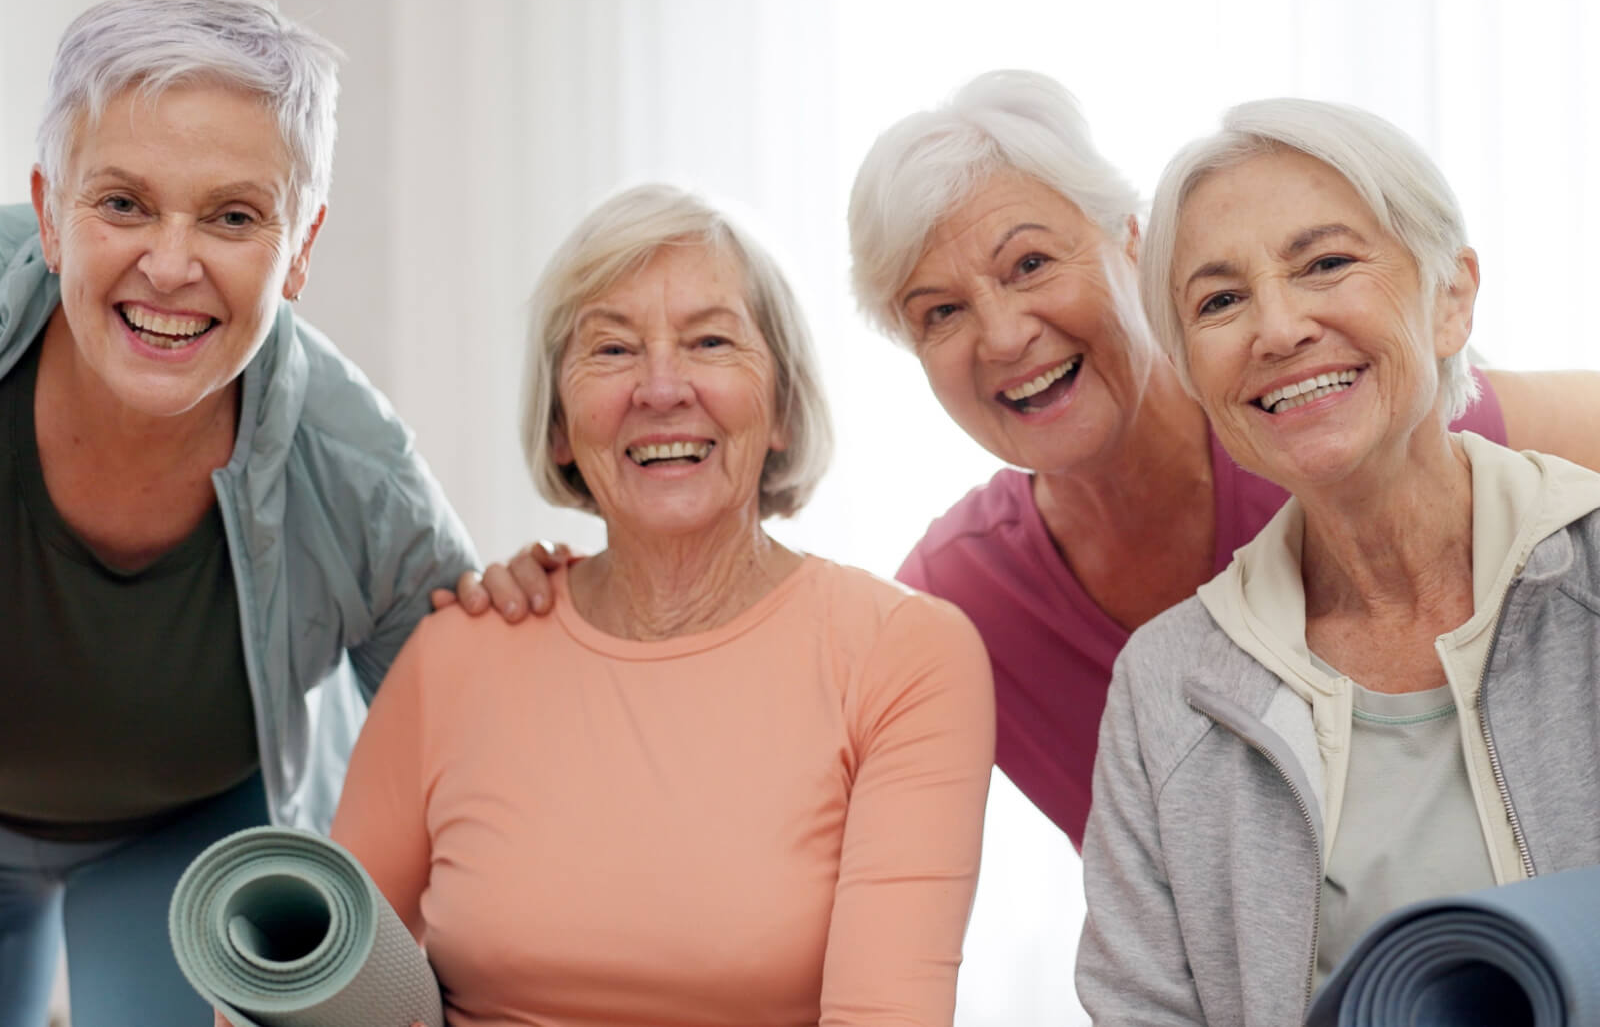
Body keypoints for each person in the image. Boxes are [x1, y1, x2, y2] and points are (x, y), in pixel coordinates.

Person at [846, 70, 1600, 849]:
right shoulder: (957, 606)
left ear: (1132, 250)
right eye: (940, 312)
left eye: (1031, 264)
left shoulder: (1331, 415)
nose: (1003, 336)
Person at [0, 0, 549, 1026]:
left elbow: (480, 779)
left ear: (299, 248)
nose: (171, 264)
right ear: (52, 208)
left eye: (234, 216)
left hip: (180, 837)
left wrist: (540, 623)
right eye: (123, 203)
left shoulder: (362, 482)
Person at [330, 184, 995, 1026]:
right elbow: (312, 978)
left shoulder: (901, 654)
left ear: (782, 405)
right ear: (563, 426)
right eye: (610, 351)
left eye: (711, 341)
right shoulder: (458, 652)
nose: (661, 387)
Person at [1075, 97, 1600, 1025]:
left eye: (1325, 264)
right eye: (1220, 300)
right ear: (1196, 374)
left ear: (1451, 297)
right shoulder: (1166, 686)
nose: (1277, 331)